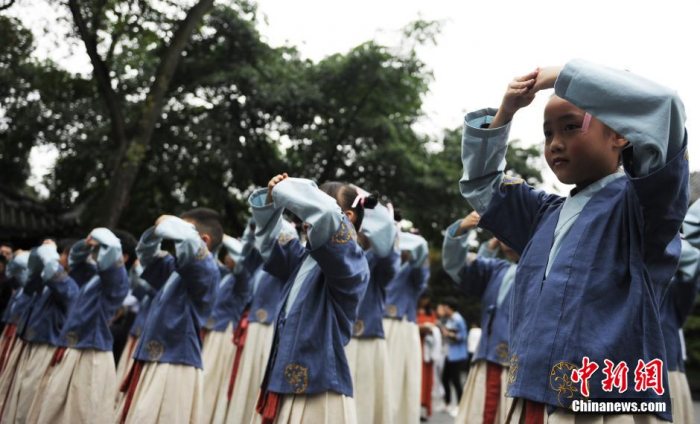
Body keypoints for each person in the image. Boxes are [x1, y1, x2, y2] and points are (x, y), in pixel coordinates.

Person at [459, 60, 688, 422]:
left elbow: (665, 108)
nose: (556, 144)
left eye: (570, 127)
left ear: (621, 135)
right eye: (548, 133)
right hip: (530, 396)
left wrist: (563, 76)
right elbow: (483, 186)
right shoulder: (543, 214)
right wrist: (506, 111)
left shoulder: (643, 209)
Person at [251, 174, 370, 424]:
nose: (307, 221)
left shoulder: (354, 263)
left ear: (347, 217)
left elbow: (326, 215)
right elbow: (268, 240)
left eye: (310, 211)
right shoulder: (300, 258)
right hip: (282, 379)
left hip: (320, 388)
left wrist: (288, 188)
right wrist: (273, 198)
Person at [116, 209, 220, 423]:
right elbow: (145, 254)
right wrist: (156, 232)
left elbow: (192, 246)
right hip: (155, 358)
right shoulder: (175, 267)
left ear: (204, 241)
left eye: (181, 231)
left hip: (175, 363)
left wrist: (175, 224)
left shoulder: (208, 270)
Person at [27, 228, 129, 423]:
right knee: (53, 412)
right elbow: (76, 259)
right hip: (72, 351)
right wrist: (85, 243)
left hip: (91, 355)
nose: (97, 255)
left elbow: (112, 262)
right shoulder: (93, 277)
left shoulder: (118, 281)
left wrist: (107, 239)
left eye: (102, 250)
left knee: (80, 414)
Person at [443, 211, 517, 423]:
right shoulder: (496, 269)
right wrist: (461, 229)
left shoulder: (545, 270)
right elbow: (457, 266)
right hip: (485, 361)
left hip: (518, 369)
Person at [225, 220, 295, 424]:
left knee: (256, 381)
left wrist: (275, 222)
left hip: (269, 330)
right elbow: (244, 252)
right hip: (255, 328)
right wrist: (252, 225)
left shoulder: (286, 261)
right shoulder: (259, 265)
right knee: (245, 382)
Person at [0, 242, 79, 423]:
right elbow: (25, 275)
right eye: (62, 254)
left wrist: (50, 255)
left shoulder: (71, 285)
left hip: (46, 346)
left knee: (29, 397)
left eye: (65, 255)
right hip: (27, 342)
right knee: (14, 394)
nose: (62, 259)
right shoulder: (47, 280)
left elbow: (58, 279)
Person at [344, 199, 398, 424]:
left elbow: (389, 262)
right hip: (341, 337)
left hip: (368, 337)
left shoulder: (380, 259)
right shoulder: (341, 253)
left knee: (366, 402)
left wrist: (387, 225)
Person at [383, 229, 430, 424]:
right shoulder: (386, 259)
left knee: (401, 379)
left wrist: (417, 256)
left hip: (403, 325)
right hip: (380, 322)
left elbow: (420, 280)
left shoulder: (416, 268)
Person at [438, 300, 468, 417]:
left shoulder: (458, 319)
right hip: (449, 354)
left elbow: (463, 336)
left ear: (450, 308)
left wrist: (449, 334)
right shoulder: (450, 319)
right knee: (445, 378)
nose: (444, 310)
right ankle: (448, 402)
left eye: (445, 308)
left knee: (456, 380)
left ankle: (460, 406)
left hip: (458, 355)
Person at [416, 295, 440, 421]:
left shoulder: (431, 313)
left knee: (426, 382)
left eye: (426, 298)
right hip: (416, 348)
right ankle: (414, 408)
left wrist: (431, 329)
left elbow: (435, 327)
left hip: (427, 352)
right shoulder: (412, 310)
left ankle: (424, 409)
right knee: (416, 379)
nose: (425, 300)